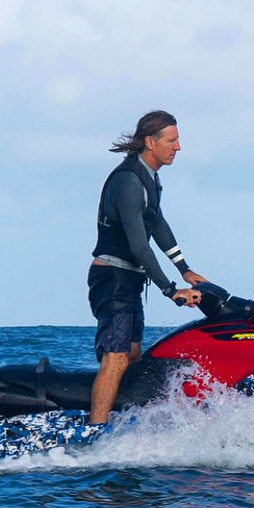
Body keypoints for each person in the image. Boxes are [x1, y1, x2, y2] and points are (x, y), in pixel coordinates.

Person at [87, 110, 210, 425]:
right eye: (172, 140)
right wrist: (171, 290)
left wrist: (184, 268)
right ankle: (95, 432)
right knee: (116, 359)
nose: (178, 147)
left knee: (132, 355)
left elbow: (156, 222)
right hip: (112, 278)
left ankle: (122, 424)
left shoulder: (150, 177)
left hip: (130, 279)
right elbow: (140, 246)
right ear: (150, 142)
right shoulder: (128, 180)